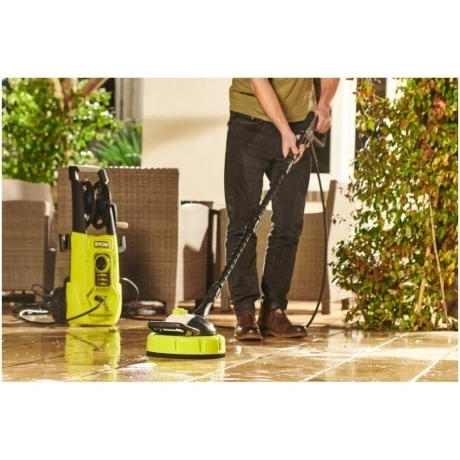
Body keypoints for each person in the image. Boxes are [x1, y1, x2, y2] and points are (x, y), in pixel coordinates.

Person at [224, 78, 340, 341]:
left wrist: (324, 104)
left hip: (299, 124)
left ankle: (274, 311)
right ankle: (244, 313)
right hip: (249, 123)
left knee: (289, 224)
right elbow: (257, 79)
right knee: (243, 222)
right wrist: (284, 131)